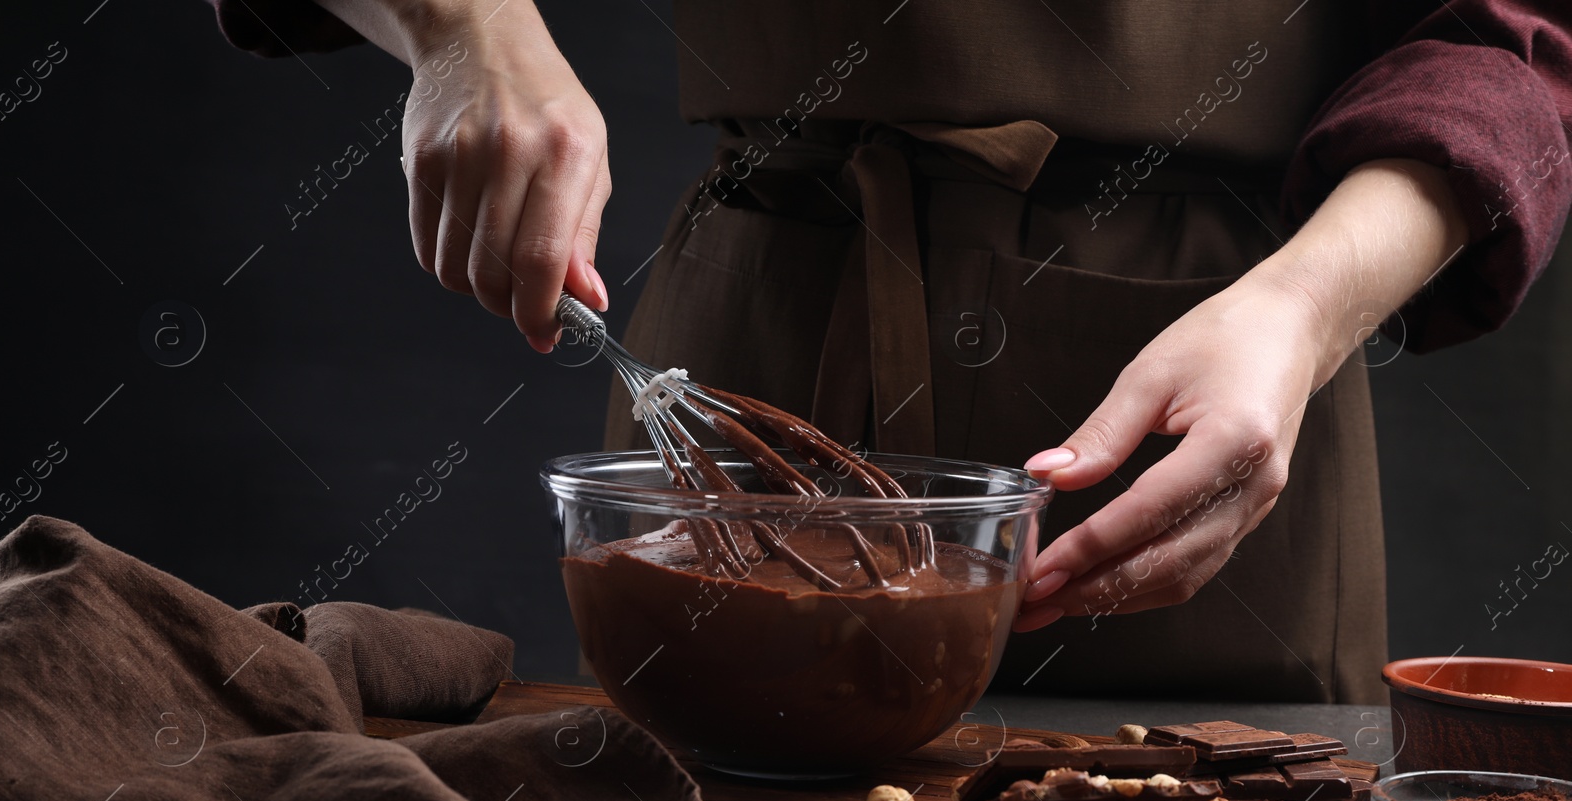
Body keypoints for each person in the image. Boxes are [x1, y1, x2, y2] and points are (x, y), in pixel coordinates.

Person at [211, 0, 1572, 704]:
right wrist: (466, 33)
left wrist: (1304, 311)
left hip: (1214, 415)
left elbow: (1518, 41)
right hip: (766, 358)